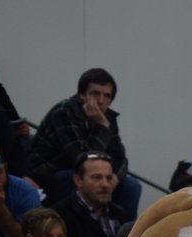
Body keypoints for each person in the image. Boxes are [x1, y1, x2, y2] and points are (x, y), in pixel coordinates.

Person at [27, 68, 141, 219]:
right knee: (80, 180)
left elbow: (120, 157)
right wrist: (102, 127)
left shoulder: (108, 117)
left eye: (107, 96)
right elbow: (82, 158)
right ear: (82, 95)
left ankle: (125, 232)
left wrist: (114, 177)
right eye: (95, 94)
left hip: (86, 173)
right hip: (52, 172)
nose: (101, 101)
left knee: (132, 186)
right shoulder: (64, 112)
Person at [50, 151, 125, 237]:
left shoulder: (119, 214)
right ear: (78, 180)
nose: (105, 185)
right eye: (97, 177)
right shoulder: (60, 216)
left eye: (109, 178)